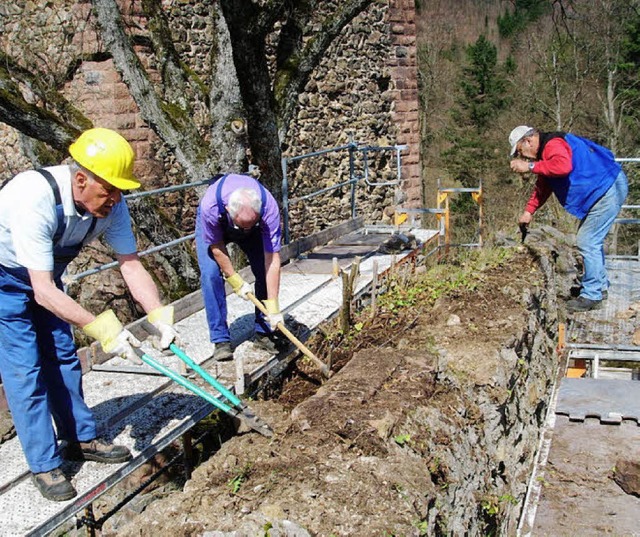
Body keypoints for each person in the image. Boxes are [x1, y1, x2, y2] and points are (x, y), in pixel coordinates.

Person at [0, 128, 179, 501]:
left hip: (45, 275)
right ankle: (45, 465)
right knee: (25, 370)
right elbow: (43, 290)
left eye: (119, 191)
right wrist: (104, 329)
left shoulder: (112, 206)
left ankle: (78, 438)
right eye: (109, 190)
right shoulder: (34, 196)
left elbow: (130, 265)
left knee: (63, 357)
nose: (115, 199)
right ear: (81, 179)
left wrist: (159, 313)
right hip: (5, 278)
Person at [509, 125, 628, 312]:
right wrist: (528, 211)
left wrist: (529, 166)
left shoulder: (553, 145)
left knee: (587, 241)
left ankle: (592, 295)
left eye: (520, 151)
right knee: (591, 240)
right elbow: (544, 185)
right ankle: (599, 286)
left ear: (528, 141)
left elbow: (563, 166)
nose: (522, 156)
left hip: (607, 189)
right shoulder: (545, 154)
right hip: (603, 188)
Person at [195, 173, 285, 361]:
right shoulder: (210, 207)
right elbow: (217, 248)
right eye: (242, 226)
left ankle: (264, 329)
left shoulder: (269, 209)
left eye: (250, 224)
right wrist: (236, 281)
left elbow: (272, 259)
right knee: (210, 275)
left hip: (253, 227)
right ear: (228, 210)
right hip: (218, 230)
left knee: (262, 268)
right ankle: (220, 339)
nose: (244, 230)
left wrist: (274, 307)